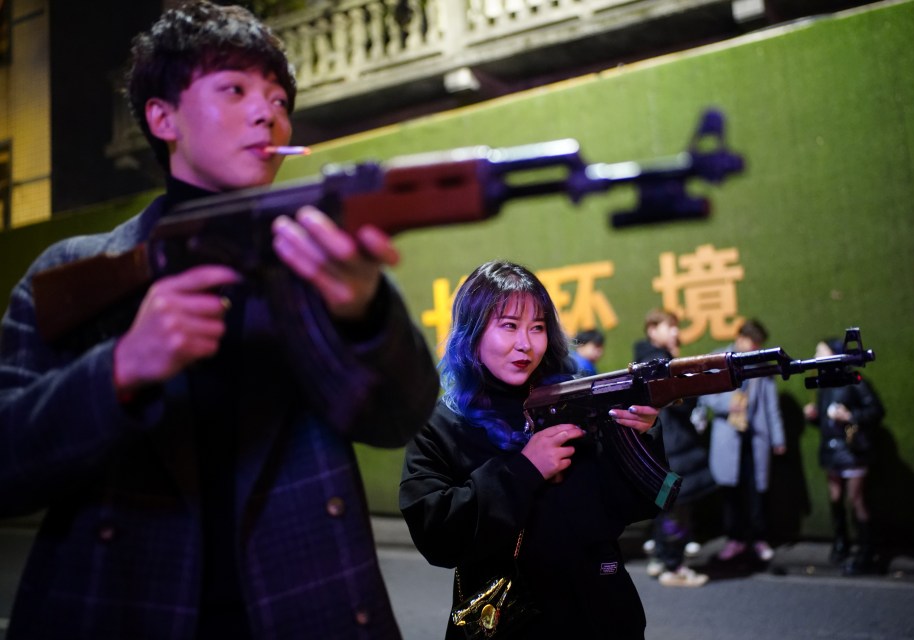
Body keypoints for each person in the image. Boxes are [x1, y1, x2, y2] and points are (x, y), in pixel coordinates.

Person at [0, 3, 438, 638]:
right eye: (234, 89)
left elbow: (401, 419)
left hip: (309, 608)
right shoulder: (76, 270)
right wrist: (121, 368)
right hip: (119, 611)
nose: (269, 113)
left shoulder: (315, 263)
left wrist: (365, 314)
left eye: (279, 99)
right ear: (163, 116)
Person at [398, 260, 665, 639]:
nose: (526, 343)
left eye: (537, 327)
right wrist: (524, 470)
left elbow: (635, 505)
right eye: (509, 326)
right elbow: (437, 536)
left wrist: (640, 434)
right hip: (507, 622)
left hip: (601, 614)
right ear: (472, 332)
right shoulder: (440, 424)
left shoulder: (577, 401)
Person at [633, 309, 714, 587]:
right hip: (674, 447)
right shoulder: (658, 362)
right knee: (677, 509)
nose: (676, 332)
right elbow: (682, 400)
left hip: (665, 447)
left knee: (667, 506)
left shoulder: (647, 360)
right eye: (670, 326)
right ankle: (674, 566)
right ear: (652, 330)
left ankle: (663, 560)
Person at [695, 319, 785, 563]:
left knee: (757, 490)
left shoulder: (761, 365)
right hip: (728, 435)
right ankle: (734, 539)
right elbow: (705, 396)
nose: (754, 348)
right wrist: (727, 404)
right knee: (730, 493)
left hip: (756, 437)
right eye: (752, 343)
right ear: (741, 338)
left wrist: (778, 437)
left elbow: (770, 406)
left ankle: (758, 538)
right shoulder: (718, 359)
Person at [803, 338, 885, 575]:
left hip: (852, 450)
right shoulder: (823, 384)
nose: (816, 355)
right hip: (831, 450)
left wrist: (850, 415)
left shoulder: (854, 379)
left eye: (821, 351)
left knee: (855, 499)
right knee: (836, 496)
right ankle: (842, 542)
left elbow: (876, 410)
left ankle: (867, 551)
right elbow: (826, 423)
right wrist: (814, 417)